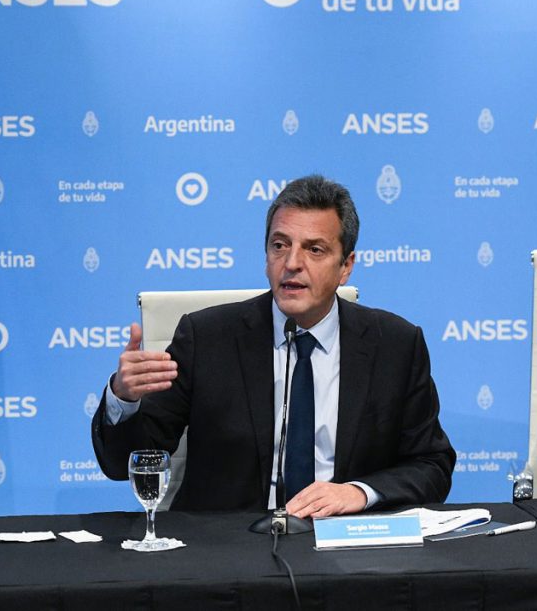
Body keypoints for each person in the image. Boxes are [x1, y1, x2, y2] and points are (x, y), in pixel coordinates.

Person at [92, 175, 455, 518]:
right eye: (279, 246)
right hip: (228, 546)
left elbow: (431, 465)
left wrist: (359, 492)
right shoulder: (206, 338)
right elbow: (123, 463)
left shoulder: (394, 345)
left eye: (314, 249)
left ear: (346, 266)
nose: (292, 263)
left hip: (344, 541)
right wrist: (124, 399)